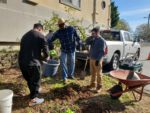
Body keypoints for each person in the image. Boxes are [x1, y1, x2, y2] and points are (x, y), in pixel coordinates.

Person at [18, 23, 49, 106]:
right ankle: (33, 100)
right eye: (42, 31)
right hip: (33, 63)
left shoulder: (24, 36)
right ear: (40, 29)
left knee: (30, 79)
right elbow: (46, 53)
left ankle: (34, 91)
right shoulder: (41, 36)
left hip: (22, 63)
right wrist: (45, 58)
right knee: (36, 80)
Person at [49, 18, 81, 83]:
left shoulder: (71, 29)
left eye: (61, 25)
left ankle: (70, 75)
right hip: (64, 49)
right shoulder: (58, 32)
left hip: (72, 49)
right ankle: (64, 77)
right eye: (59, 25)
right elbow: (51, 39)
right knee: (63, 63)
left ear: (64, 24)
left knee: (72, 62)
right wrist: (47, 43)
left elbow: (77, 37)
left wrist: (78, 44)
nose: (61, 26)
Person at [86, 27, 107, 92]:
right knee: (92, 73)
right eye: (92, 33)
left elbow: (102, 52)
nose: (92, 34)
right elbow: (86, 42)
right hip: (91, 58)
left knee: (99, 74)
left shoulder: (102, 40)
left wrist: (98, 60)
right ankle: (92, 84)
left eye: (93, 33)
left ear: (98, 33)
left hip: (97, 59)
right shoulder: (93, 39)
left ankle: (99, 87)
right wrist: (91, 37)